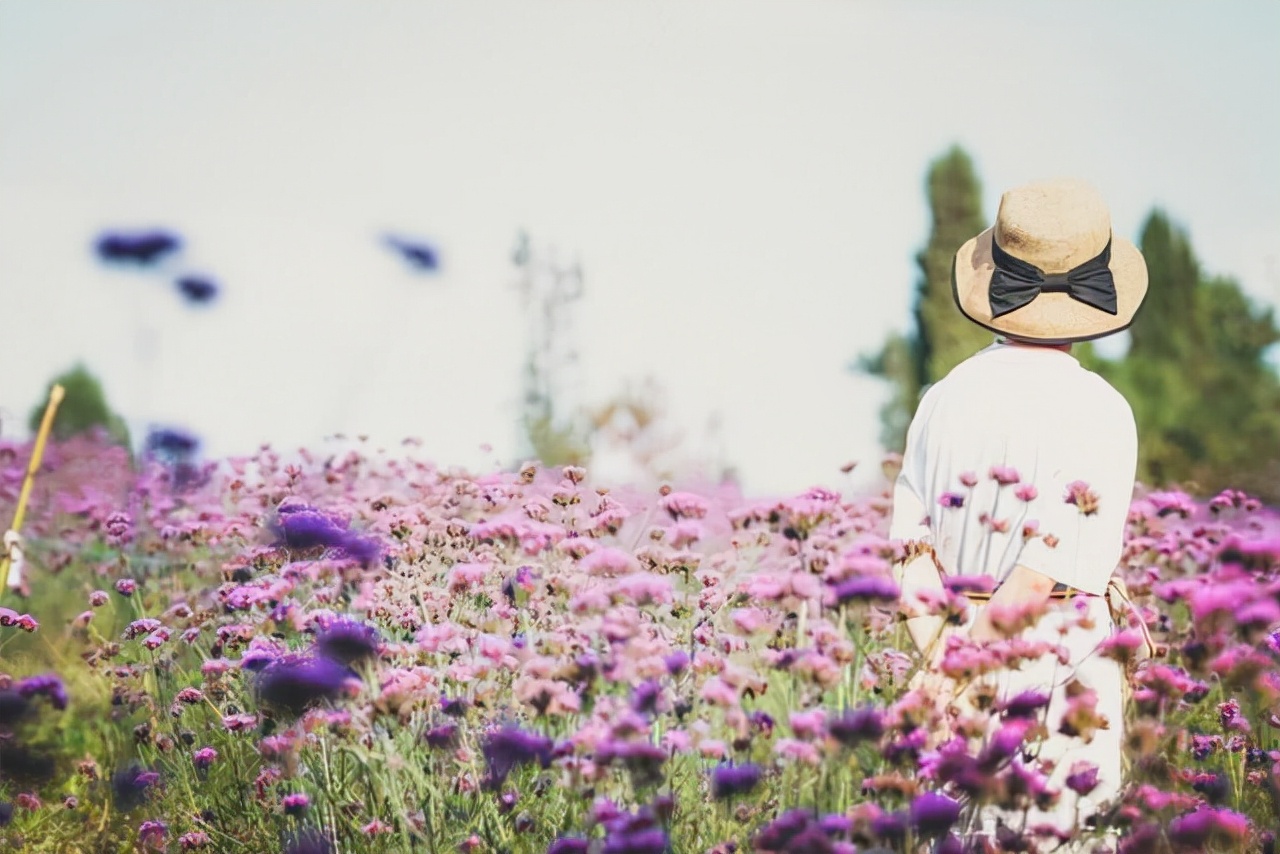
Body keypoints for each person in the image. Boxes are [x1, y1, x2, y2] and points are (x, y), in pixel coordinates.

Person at [889, 179, 1148, 844]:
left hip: (951, 658)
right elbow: (1038, 574)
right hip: (1061, 675)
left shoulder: (941, 398)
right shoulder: (1102, 411)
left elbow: (908, 555)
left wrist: (944, 674)